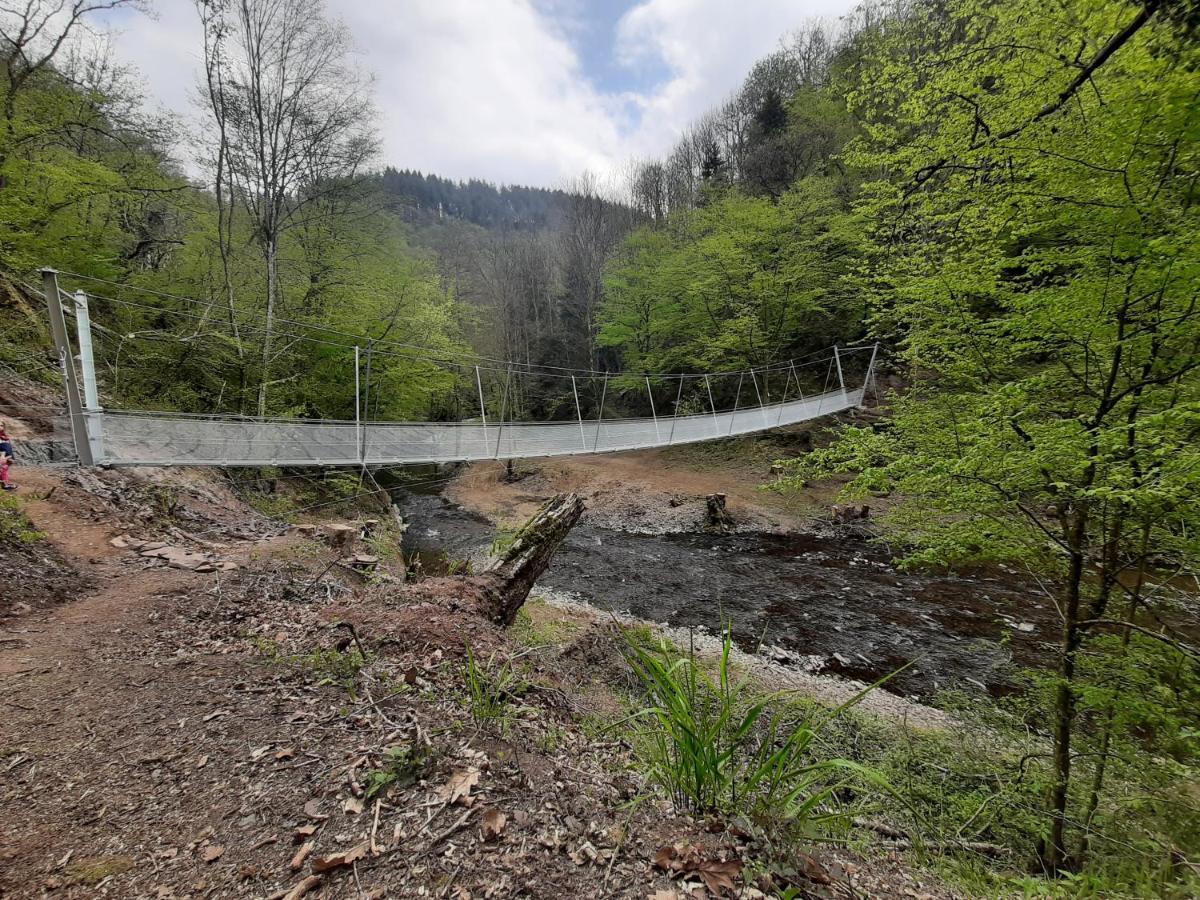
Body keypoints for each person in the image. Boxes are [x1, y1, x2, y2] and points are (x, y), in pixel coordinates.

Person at [0, 423, 15, 491]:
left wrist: (10, 456)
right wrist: (2, 456)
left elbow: (8, 447)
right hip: (2, 456)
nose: (0, 427)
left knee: (5, 470)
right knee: (3, 469)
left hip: (7, 456)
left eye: (1, 425)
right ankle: (4, 485)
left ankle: (5, 484)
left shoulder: (4, 436)